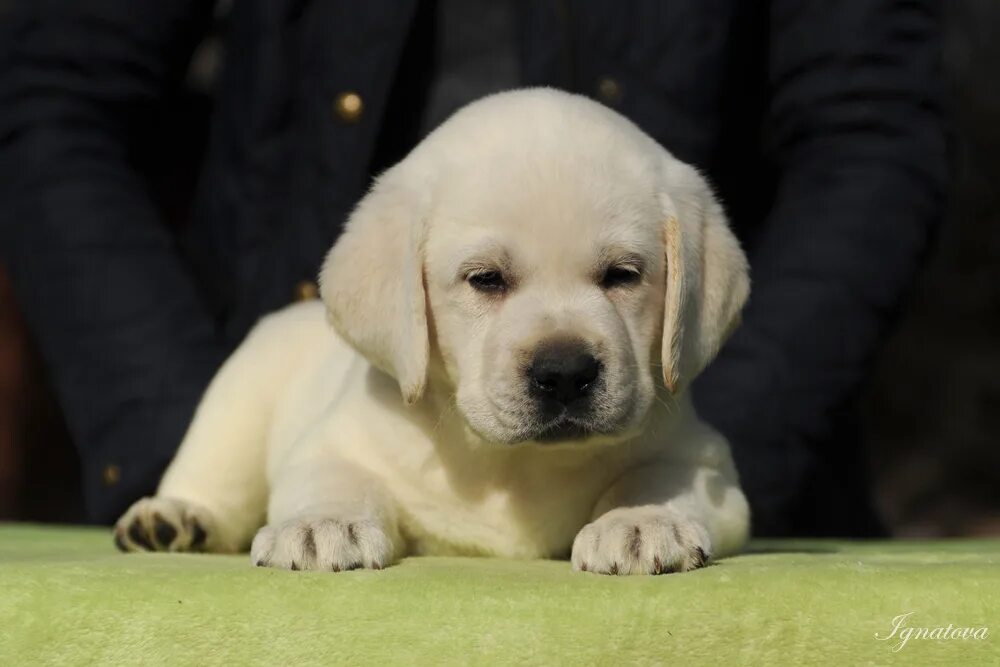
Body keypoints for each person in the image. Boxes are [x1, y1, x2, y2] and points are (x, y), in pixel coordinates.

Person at [0, 0, 947, 535]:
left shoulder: (669, 231)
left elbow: (870, 131)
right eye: (490, 283)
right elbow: (51, 95)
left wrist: (712, 448)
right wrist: (180, 443)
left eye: (620, 274)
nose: (563, 351)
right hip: (300, 375)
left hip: (723, 427)